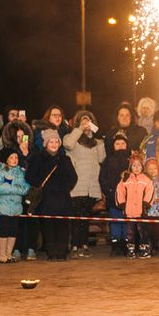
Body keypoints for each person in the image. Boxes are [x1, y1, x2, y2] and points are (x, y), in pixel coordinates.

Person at [26, 129, 78, 261]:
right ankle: (51, 252)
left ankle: (62, 252)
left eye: (56, 141)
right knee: (48, 226)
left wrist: (64, 187)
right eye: (51, 141)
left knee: (63, 226)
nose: (54, 144)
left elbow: (73, 177)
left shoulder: (65, 159)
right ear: (45, 143)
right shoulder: (38, 158)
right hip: (46, 198)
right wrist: (45, 187)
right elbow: (30, 176)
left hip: (62, 198)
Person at [63, 110, 107, 258]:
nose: (86, 123)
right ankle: (75, 245)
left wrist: (99, 140)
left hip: (91, 184)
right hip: (77, 184)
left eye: (88, 120)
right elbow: (68, 145)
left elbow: (101, 159)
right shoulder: (72, 137)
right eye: (83, 121)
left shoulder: (96, 141)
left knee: (84, 217)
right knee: (77, 217)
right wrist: (80, 129)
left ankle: (84, 245)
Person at [0, 152, 29, 263]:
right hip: (3, 207)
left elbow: (25, 189)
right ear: (6, 159)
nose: (14, 159)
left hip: (16, 208)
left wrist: (9, 187)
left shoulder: (21, 173)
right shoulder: (0, 172)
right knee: (4, 230)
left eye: (16, 157)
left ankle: (9, 254)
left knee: (13, 231)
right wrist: (15, 188)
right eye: (11, 157)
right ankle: (2, 255)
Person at [115, 156, 154, 259]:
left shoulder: (146, 179)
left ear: (142, 167)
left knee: (143, 231)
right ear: (130, 167)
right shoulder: (126, 179)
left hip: (142, 210)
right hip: (129, 210)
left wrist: (146, 203)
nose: (136, 167)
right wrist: (121, 203)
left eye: (139, 165)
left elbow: (151, 191)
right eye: (134, 165)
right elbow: (120, 190)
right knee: (130, 231)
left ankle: (144, 249)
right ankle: (131, 249)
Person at [99, 132, 131, 255]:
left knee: (127, 220)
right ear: (113, 145)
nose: (120, 145)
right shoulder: (108, 159)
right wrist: (108, 191)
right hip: (113, 196)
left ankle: (127, 243)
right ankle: (116, 244)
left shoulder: (131, 159)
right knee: (116, 220)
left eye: (123, 143)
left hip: (130, 197)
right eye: (117, 143)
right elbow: (103, 177)